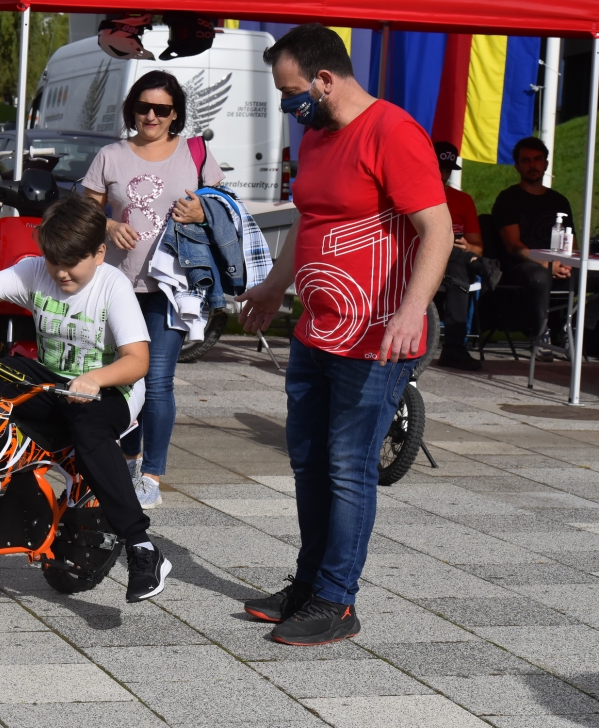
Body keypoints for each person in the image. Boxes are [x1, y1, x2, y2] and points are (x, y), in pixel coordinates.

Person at [236, 24, 453, 646]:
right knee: (308, 461)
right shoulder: (318, 135)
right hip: (317, 330)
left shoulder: (392, 133)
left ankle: (338, 601)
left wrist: (413, 310)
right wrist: (278, 284)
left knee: (348, 466)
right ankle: (306, 585)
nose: (289, 104)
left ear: (325, 80)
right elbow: (310, 218)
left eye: (293, 91)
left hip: (375, 337)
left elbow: (435, 231)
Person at [0, 194, 173, 603]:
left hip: (111, 387)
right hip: (53, 381)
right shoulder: (37, 270)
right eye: (53, 261)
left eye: (71, 264)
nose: (60, 273)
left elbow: (138, 361)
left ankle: (142, 547)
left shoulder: (114, 287)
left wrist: (94, 378)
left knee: (87, 426)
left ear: (98, 253)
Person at [82, 70, 225, 510]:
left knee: (158, 380)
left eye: (161, 109)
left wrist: (201, 208)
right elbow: (86, 212)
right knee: (124, 378)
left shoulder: (195, 155)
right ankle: (127, 455)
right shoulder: (111, 155)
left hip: (172, 286)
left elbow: (222, 209)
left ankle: (150, 474)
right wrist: (108, 223)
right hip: (118, 284)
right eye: (143, 107)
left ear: (175, 113)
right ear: (132, 109)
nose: (151, 115)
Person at [491, 137, 574, 352]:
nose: (532, 165)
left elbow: (570, 240)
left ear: (546, 164)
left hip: (557, 265)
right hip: (520, 266)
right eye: (526, 160)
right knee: (539, 276)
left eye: (537, 159)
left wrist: (567, 264)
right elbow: (514, 247)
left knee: (591, 276)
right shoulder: (508, 199)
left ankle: (569, 329)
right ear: (517, 166)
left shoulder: (559, 201)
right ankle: (539, 334)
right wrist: (549, 265)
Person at [433, 141, 494, 371]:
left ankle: (454, 348)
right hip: (419, 261)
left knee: (458, 266)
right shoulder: (413, 195)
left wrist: (467, 247)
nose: (443, 174)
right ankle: (454, 348)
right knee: (459, 264)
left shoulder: (463, 200)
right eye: (439, 167)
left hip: (450, 268)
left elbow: (478, 247)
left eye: (447, 169)